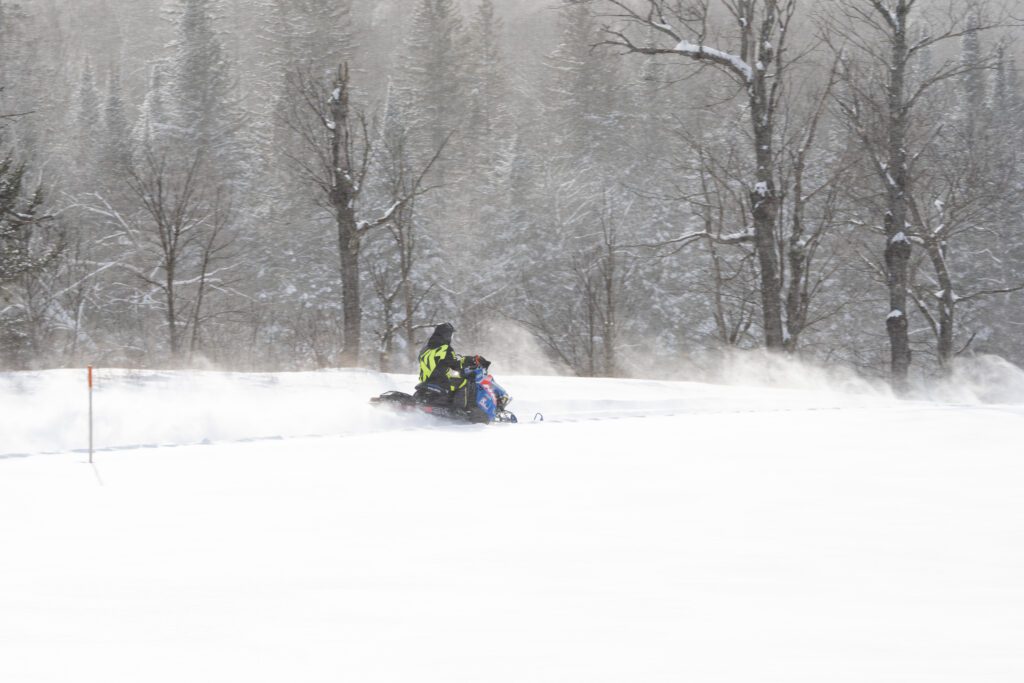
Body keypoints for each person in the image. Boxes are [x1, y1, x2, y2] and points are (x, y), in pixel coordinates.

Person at [414, 322, 466, 406]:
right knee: (464, 382)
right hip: (441, 382)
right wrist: (463, 367)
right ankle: (460, 410)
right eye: (451, 335)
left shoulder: (425, 349)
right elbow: (455, 365)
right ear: (446, 335)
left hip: (425, 382)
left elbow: (422, 360)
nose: (451, 338)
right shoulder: (446, 349)